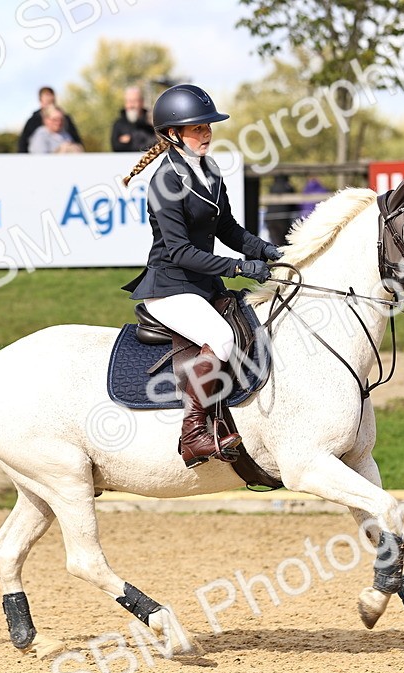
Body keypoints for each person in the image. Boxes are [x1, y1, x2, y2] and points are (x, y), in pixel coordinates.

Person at [120, 84, 284, 468]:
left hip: (201, 285)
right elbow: (179, 252)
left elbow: (227, 228)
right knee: (222, 336)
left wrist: (264, 250)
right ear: (173, 134)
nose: (206, 132)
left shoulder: (209, 169)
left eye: (208, 126)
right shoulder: (165, 181)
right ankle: (193, 433)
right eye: (197, 128)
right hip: (170, 287)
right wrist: (240, 268)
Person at [17, 86, 82, 153]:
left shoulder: (66, 121)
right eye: (54, 120)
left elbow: (76, 140)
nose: (58, 122)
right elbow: (24, 145)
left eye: (60, 120)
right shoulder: (33, 123)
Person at [110, 86, 157, 152]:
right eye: (129, 101)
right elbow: (115, 147)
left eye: (135, 101)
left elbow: (157, 144)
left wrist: (130, 140)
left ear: (142, 102)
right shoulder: (118, 124)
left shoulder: (151, 121)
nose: (131, 105)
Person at [263, 174, 299, 247]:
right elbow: (294, 206)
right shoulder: (289, 188)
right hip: (283, 220)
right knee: (284, 244)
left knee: (275, 243)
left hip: (271, 220)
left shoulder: (272, 187)